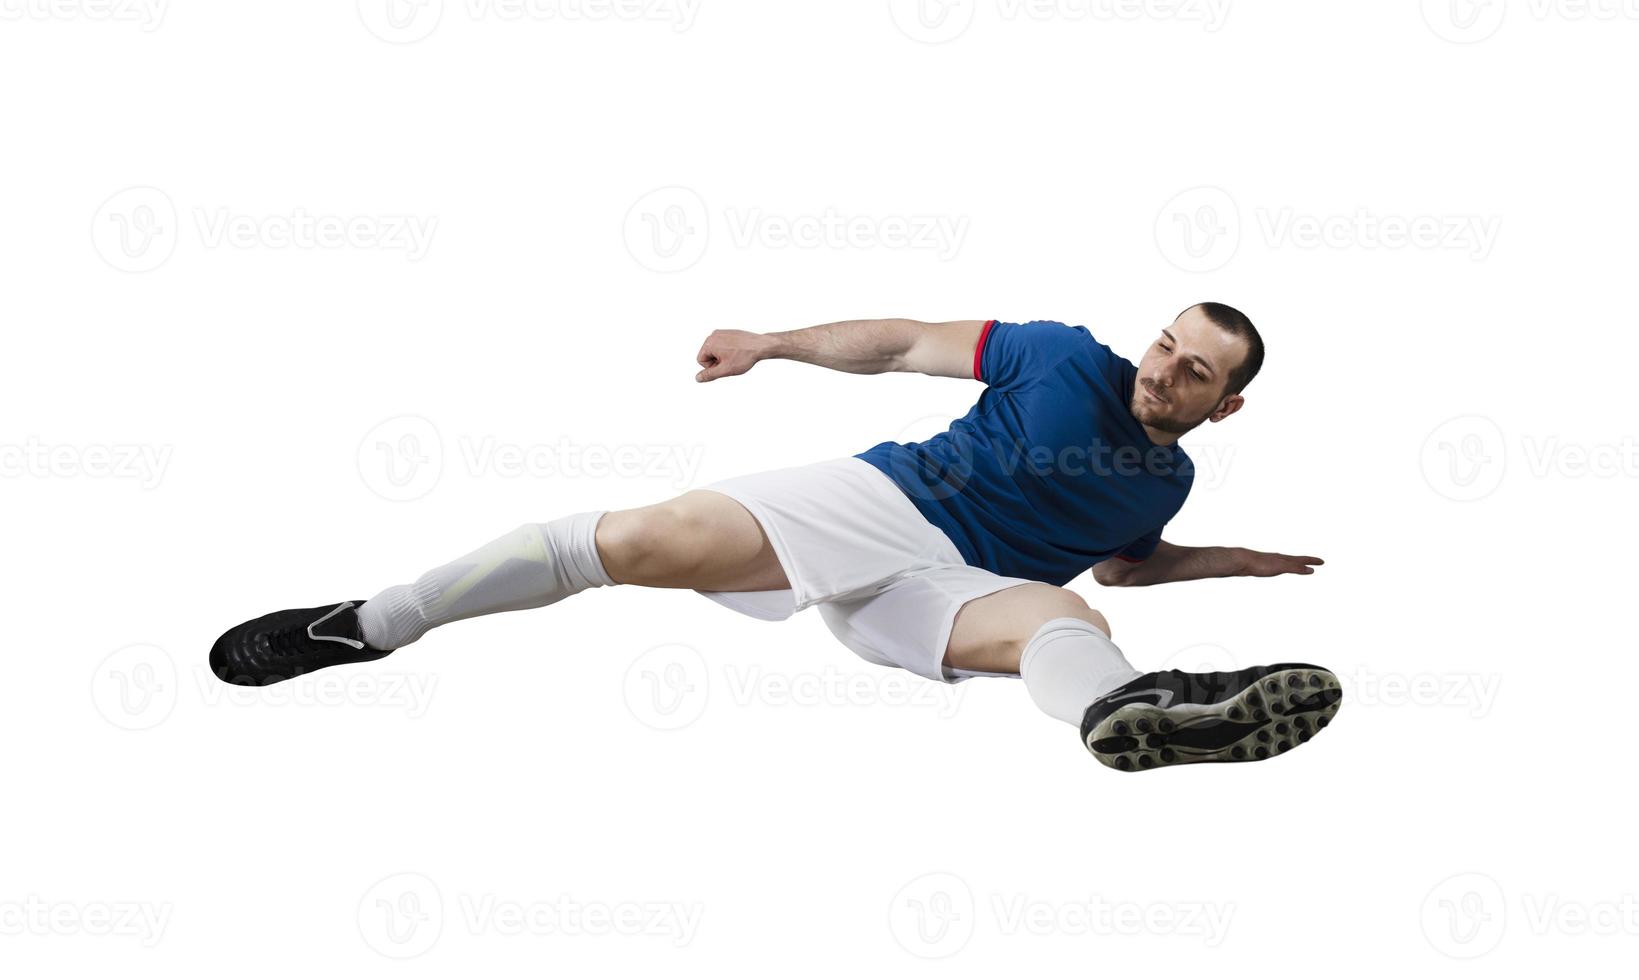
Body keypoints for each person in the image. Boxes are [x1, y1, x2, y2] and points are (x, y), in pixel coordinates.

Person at [210, 303, 1338, 771]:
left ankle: (1132, 713)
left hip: (964, 586)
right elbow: (901, 345)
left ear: (1222, 403)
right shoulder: (1058, 351)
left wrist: (1231, 559)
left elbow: (1125, 564)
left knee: (1065, 615)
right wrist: (774, 342)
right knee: (645, 537)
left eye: (1195, 370)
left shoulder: (1169, 480)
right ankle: (369, 623)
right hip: (881, 499)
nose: (1163, 369)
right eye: (1164, 344)